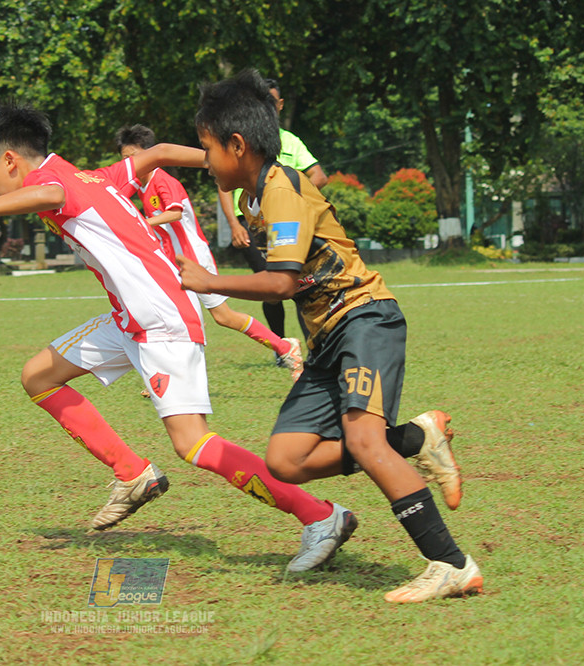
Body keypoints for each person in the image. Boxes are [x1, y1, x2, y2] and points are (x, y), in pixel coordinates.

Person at [0, 104, 358, 573]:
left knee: (193, 445)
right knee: (38, 375)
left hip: (161, 320)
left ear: (12, 161)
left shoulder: (60, 186)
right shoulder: (96, 178)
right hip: (128, 319)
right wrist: (223, 163)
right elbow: (155, 153)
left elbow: (45, 195)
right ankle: (132, 473)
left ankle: (320, 516)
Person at [174, 69, 479, 603]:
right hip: (327, 339)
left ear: (238, 144)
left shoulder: (282, 189)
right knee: (286, 460)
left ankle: (450, 563)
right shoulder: (253, 197)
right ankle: (416, 439)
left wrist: (208, 281)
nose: (204, 160)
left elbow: (284, 281)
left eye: (207, 148)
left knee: (363, 438)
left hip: (363, 315)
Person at [112, 124, 301, 377]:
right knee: (167, 315)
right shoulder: (141, 186)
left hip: (193, 259)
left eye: (132, 157)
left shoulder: (163, 180)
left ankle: (284, 346)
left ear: (149, 153)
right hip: (174, 262)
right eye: (124, 159)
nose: (129, 164)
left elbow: (175, 212)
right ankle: (168, 372)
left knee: (223, 316)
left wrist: (143, 223)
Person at [217, 78, 328, 349]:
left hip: (286, 219)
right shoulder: (240, 143)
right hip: (252, 223)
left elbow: (319, 175)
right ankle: (281, 346)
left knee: (298, 284)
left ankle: (312, 347)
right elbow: (222, 185)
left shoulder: (290, 141)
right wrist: (234, 224)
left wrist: (290, 196)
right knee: (272, 288)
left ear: (278, 105)